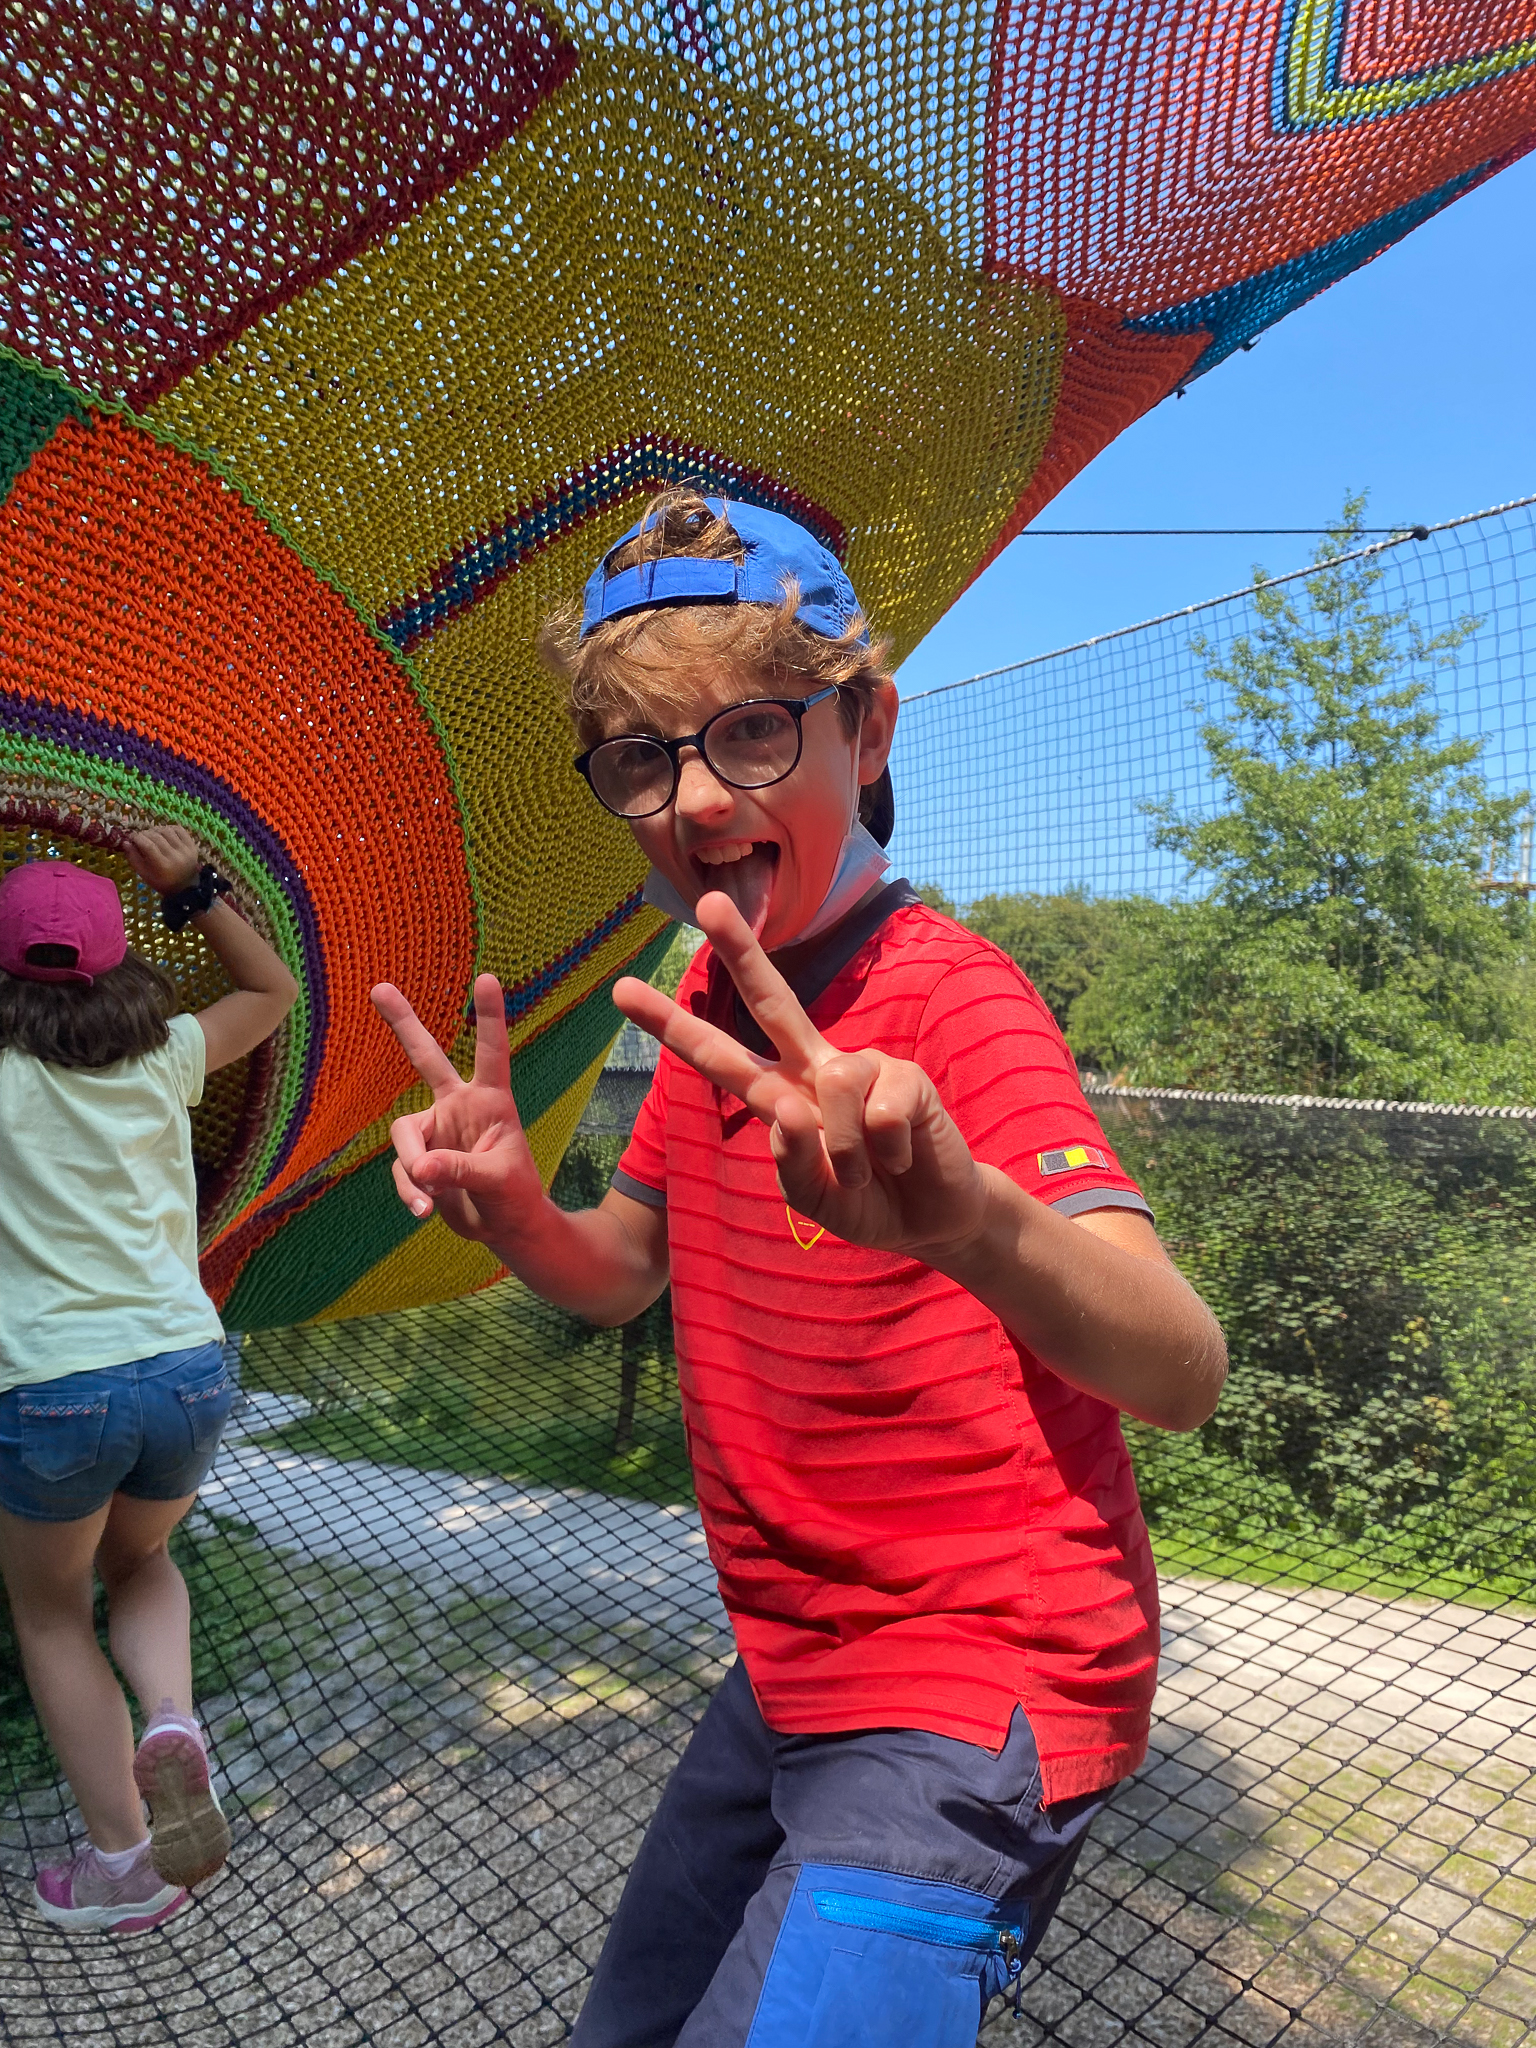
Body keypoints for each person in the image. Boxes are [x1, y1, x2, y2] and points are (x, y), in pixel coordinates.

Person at [373, 491, 1228, 2044]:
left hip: (975, 1677)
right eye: (642, 757)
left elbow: (1181, 1371)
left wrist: (974, 1225)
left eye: (754, 733)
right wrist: (516, 1216)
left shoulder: (952, 1000)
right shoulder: (712, 1004)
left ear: (867, 729)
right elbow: (622, 1270)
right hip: (792, 1671)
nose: (699, 798)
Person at [0, 827, 299, 1933]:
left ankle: (126, 1859)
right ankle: (172, 1716)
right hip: (185, 1367)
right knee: (142, 1560)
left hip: (51, 1385)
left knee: (51, 1614)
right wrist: (195, 889)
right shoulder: (165, 1054)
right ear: (117, 957)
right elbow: (272, 991)